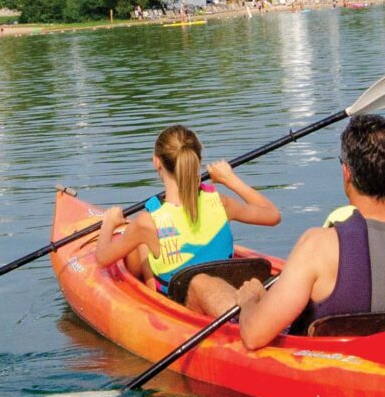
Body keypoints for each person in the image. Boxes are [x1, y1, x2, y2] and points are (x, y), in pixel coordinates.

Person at [231, 113, 385, 350]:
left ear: (346, 172)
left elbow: (253, 336)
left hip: (330, 373)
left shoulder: (318, 245)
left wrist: (251, 299)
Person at [83, 125, 283, 318]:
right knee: (143, 249)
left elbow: (102, 258)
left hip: (184, 309)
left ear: (156, 162)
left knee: (142, 248)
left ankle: (151, 298)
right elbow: (272, 214)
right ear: (198, 160)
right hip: (224, 287)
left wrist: (108, 223)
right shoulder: (221, 203)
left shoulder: (147, 223)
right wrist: (229, 179)